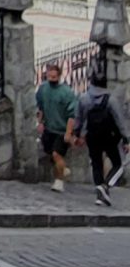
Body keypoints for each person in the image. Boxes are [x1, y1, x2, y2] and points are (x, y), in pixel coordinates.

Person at [70, 63, 130, 208]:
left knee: (96, 164)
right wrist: (126, 139)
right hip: (108, 136)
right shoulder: (111, 100)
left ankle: (100, 196)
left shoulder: (84, 98)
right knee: (118, 165)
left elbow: (78, 118)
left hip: (92, 136)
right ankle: (106, 186)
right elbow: (119, 120)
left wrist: (77, 135)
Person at [35, 59, 76, 195]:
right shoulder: (43, 89)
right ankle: (63, 170)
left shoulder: (66, 93)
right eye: (49, 76)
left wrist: (68, 133)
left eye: (54, 77)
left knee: (56, 154)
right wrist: (40, 122)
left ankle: (59, 182)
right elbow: (40, 107)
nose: (52, 79)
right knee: (49, 152)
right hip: (49, 128)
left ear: (59, 77)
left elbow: (72, 115)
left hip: (61, 130)